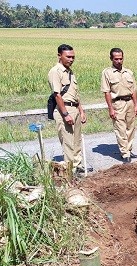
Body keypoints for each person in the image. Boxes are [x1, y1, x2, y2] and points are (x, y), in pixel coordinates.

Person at [48, 44, 87, 176]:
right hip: (64, 109)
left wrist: (81, 111)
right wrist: (65, 114)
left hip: (74, 108)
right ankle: (70, 171)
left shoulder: (70, 72)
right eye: (68, 57)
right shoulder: (55, 71)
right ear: (59, 56)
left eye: (73, 57)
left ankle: (77, 166)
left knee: (77, 141)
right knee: (68, 142)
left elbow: (75, 94)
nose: (71, 59)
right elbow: (57, 95)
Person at [101, 47, 137, 163]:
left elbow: (134, 90)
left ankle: (129, 149)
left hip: (130, 103)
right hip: (117, 103)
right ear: (111, 59)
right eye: (116, 59)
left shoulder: (129, 72)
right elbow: (106, 91)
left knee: (131, 128)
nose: (119, 61)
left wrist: (136, 105)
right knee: (120, 129)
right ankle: (124, 153)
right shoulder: (107, 73)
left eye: (121, 59)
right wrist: (110, 108)